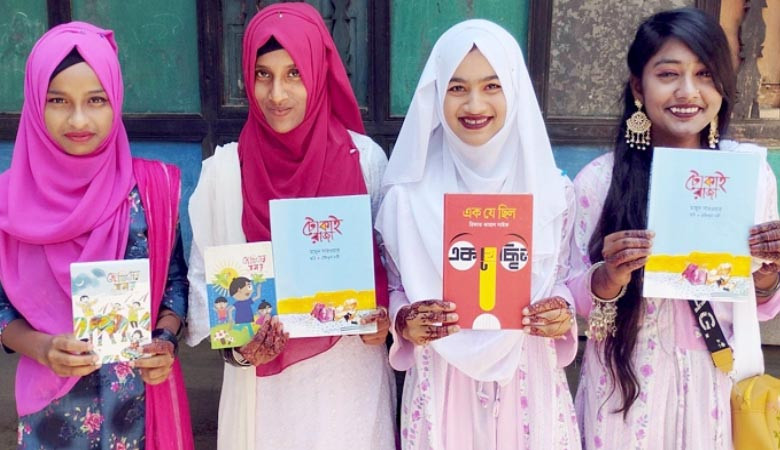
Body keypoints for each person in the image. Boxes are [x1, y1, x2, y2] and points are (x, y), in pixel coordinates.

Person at [185, 4, 395, 449]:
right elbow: (205, 285)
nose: (277, 94)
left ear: (319, 74)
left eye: (294, 73)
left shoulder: (365, 161)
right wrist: (239, 350)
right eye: (263, 74)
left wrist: (385, 323)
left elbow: (395, 273)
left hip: (349, 386)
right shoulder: (224, 174)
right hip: (262, 395)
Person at [568, 8, 780, 449]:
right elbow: (575, 300)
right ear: (638, 87)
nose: (688, 91)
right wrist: (609, 277)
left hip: (714, 382)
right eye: (668, 74)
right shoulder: (599, 181)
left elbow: (758, 303)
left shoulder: (750, 176)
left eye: (705, 74)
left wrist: (768, 271)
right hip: (625, 389)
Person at [376, 19, 581, 449]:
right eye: (457, 87)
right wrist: (405, 321)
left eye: (492, 86)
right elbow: (395, 288)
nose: (474, 104)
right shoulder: (405, 198)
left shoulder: (552, 193)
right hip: (441, 385)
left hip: (528, 386)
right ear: (436, 95)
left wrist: (560, 314)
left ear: (515, 89)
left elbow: (562, 280)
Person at [0, 22, 193, 449]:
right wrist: (40, 347)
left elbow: (175, 285)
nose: (78, 119)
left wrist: (165, 341)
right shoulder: (7, 203)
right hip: (52, 416)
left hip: (140, 408)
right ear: (34, 102)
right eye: (57, 101)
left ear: (116, 100)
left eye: (96, 99)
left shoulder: (152, 190)